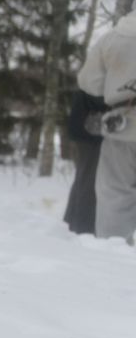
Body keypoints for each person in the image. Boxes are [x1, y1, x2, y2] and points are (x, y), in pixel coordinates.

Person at [78, 11, 136, 241]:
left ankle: (114, 252)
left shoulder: (115, 36)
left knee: (115, 193)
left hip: (124, 124)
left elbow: (89, 82)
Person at [63, 88, 106, 235]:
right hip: (91, 129)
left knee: (85, 178)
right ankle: (83, 229)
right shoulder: (101, 69)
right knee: (90, 179)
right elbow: (93, 92)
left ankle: (72, 224)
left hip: (91, 126)